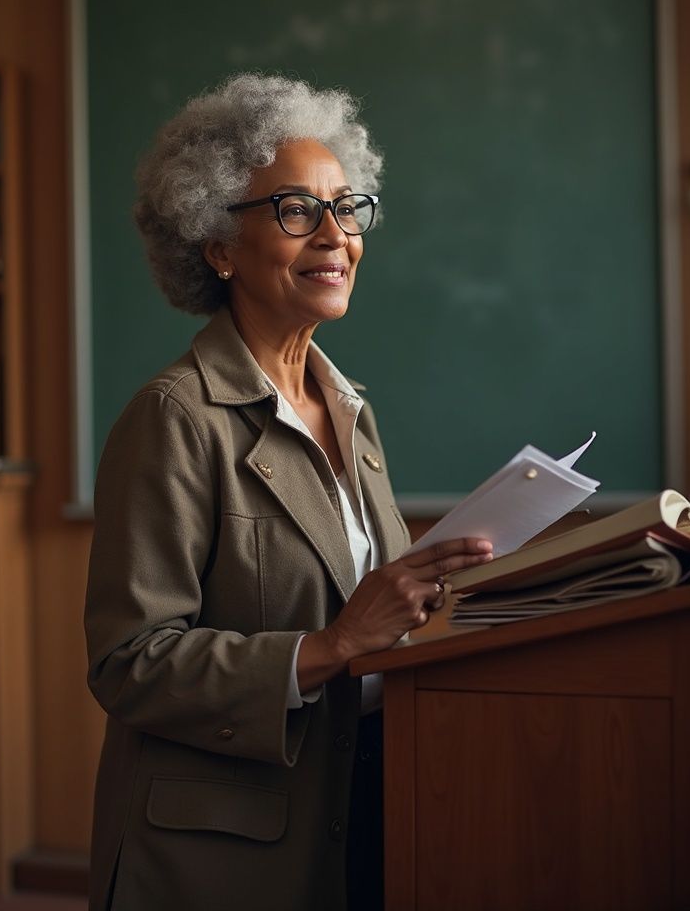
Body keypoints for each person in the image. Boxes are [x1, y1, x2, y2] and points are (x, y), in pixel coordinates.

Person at [84, 73, 493, 911]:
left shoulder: (348, 408)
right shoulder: (173, 419)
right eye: (297, 210)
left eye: (347, 208)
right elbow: (129, 664)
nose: (336, 236)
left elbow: (365, 612)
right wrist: (332, 644)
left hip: (358, 816)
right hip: (218, 864)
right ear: (218, 245)